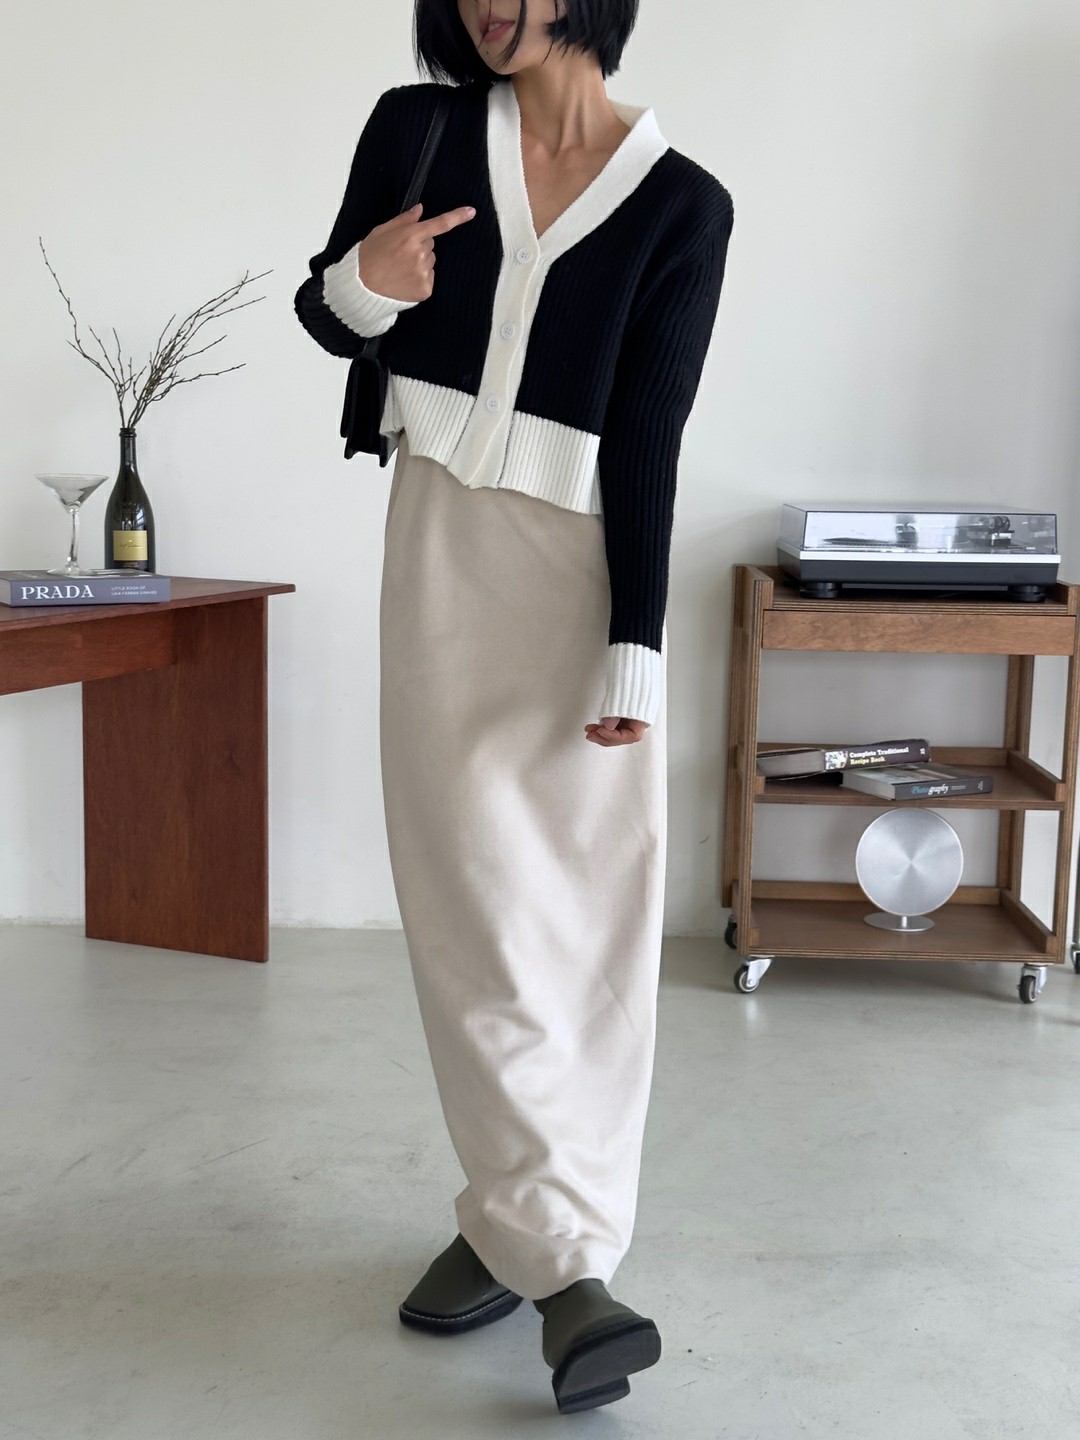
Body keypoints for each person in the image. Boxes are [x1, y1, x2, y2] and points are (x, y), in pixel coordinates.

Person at [294, 0, 733, 1415]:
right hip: (441, 550)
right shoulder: (416, 130)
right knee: (472, 906)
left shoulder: (684, 205)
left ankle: (532, 1236)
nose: (492, 2)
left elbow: (652, 436)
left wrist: (636, 644)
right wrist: (370, 283)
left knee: (588, 912)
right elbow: (325, 316)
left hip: (583, 572)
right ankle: (557, 1260)